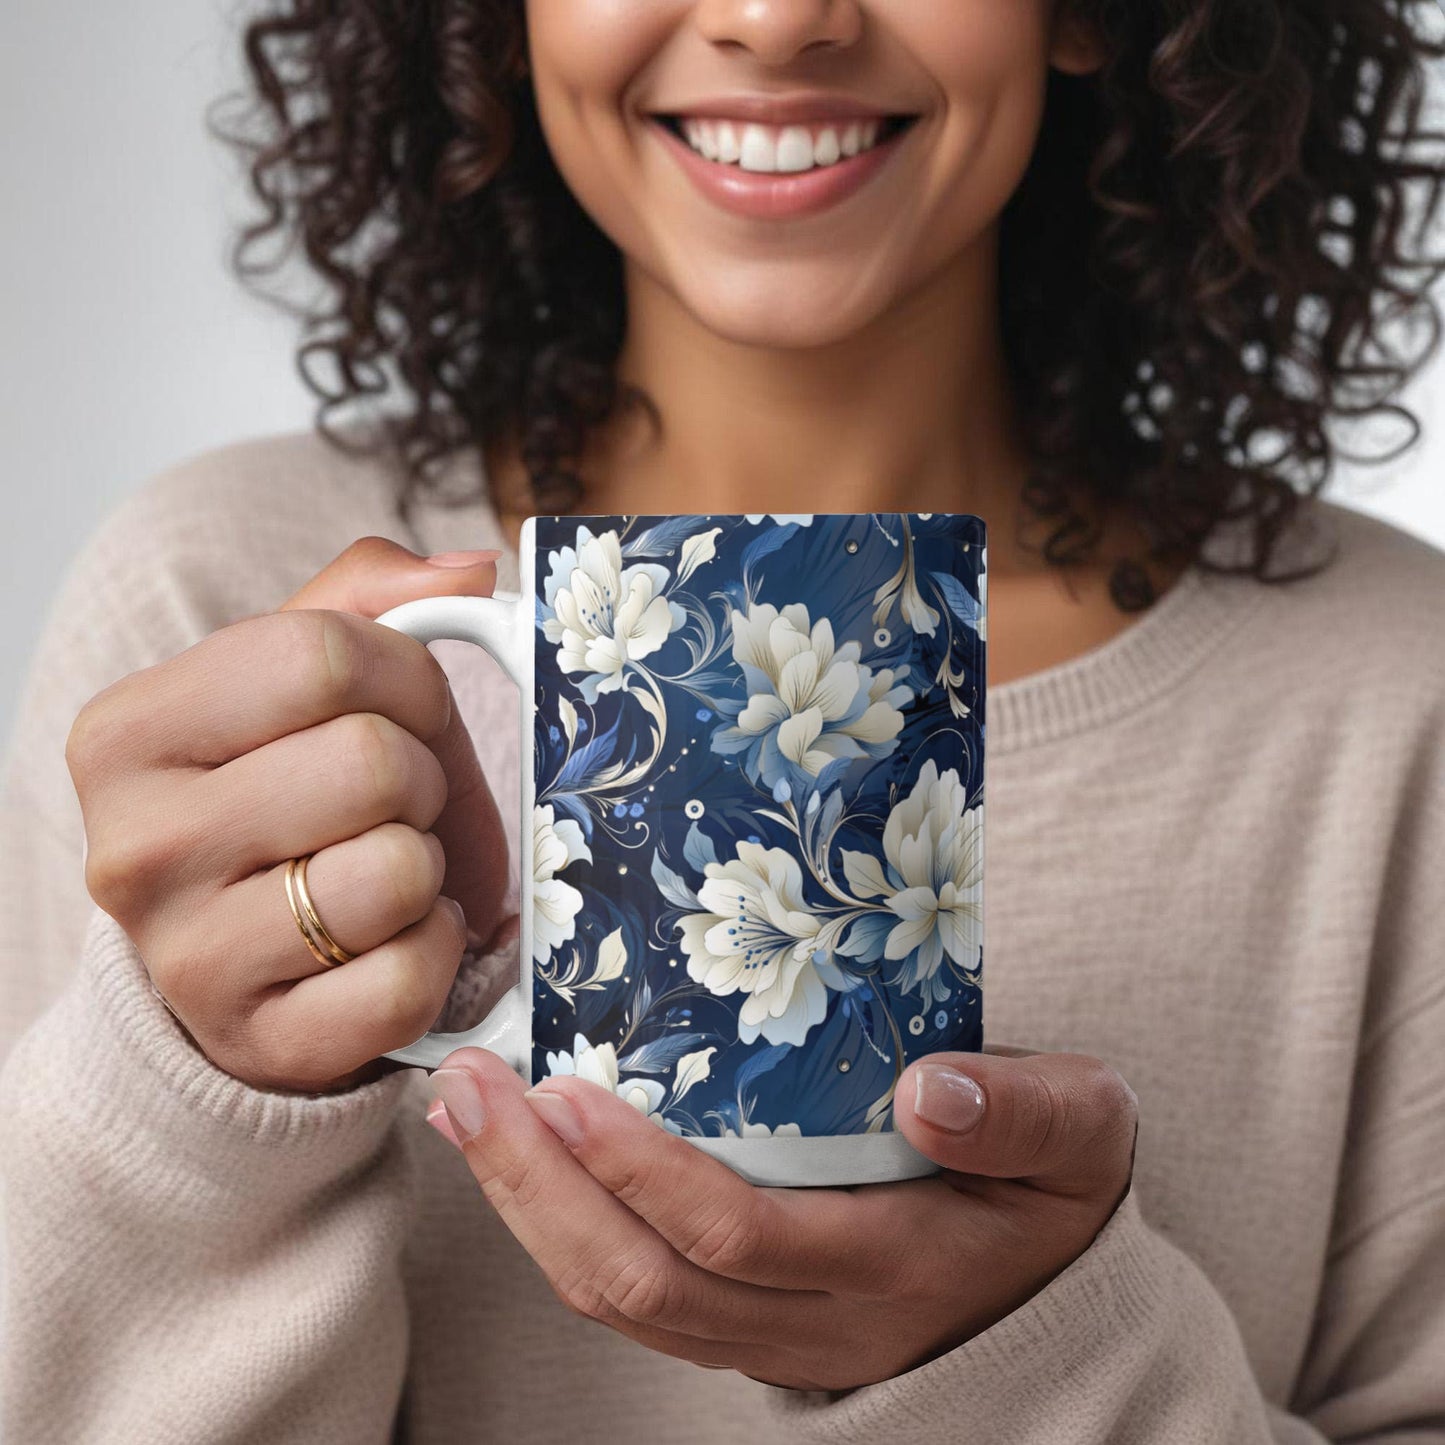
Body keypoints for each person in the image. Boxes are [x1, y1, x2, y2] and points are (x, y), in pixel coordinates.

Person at [2, 1, 1443, 1440]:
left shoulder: (1393, 697)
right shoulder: (216, 612)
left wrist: (1052, 1366)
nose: (775, 18)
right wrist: (193, 1102)